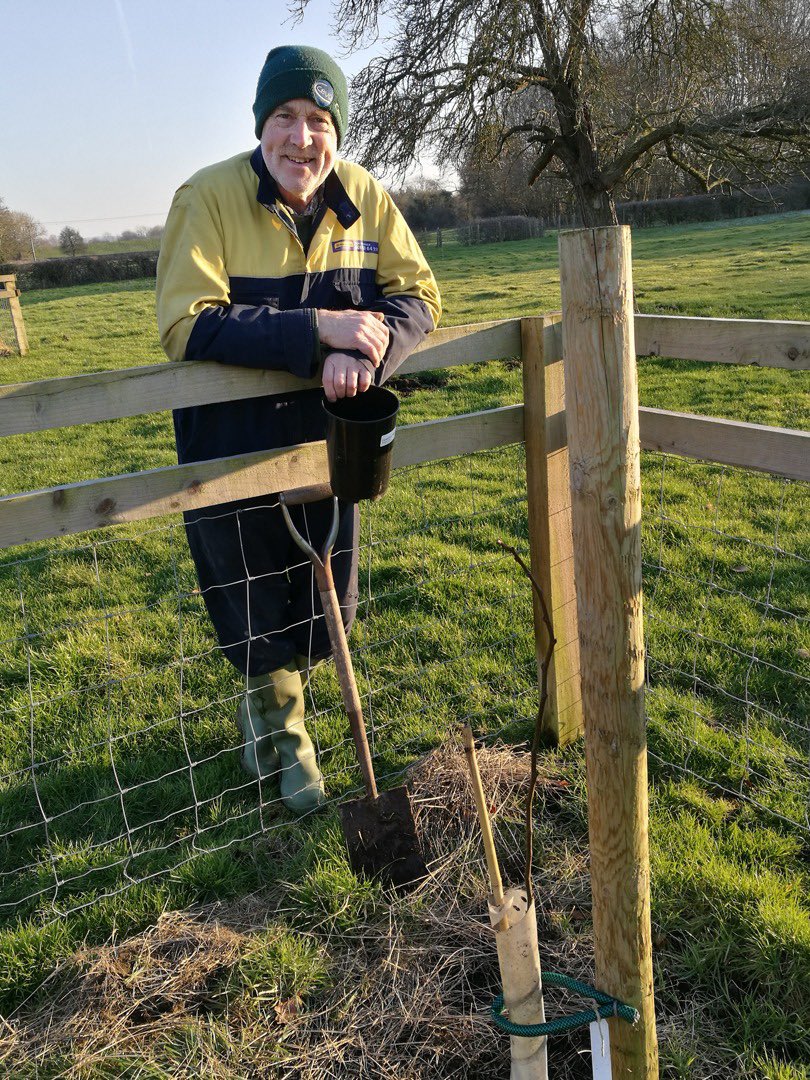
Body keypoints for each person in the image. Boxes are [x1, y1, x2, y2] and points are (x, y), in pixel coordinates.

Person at [156, 46, 441, 815]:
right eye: (284, 117)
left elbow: (417, 296)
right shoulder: (207, 197)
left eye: (319, 121)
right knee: (250, 593)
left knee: (323, 597)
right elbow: (188, 326)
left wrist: (369, 352)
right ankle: (288, 745)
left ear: (336, 131)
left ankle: (271, 717)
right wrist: (319, 332)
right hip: (232, 440)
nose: (301, 139)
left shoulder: (365, 197)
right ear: (261, 124)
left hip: (328, 439)